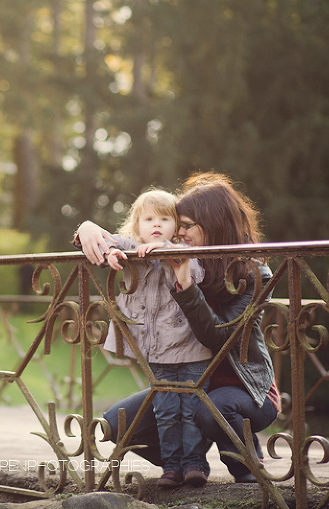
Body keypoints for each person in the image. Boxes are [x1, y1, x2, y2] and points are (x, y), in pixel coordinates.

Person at [75, 172, 280, 485]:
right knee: (116, 426)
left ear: (214, 224)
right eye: (178, 224)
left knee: (212, 410)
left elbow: (218, 337)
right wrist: (87, 229)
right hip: (184, 375)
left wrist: (185, 282)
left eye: (186, 225)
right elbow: (131, 239)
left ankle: (245, 462)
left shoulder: (253, 271)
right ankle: (181, 464)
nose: (179, 232)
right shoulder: (178, 256)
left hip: (243, 389)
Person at [96, 189, 213, 488]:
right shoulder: (133, 247)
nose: (156, 225)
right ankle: (171, 468)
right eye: (149, 219)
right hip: (157, 353)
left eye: (164, 218)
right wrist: (111, 252)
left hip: (192, 350)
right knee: (166, 412)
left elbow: (196, 274)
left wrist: (168, 252)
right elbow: (106, 238)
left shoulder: (183, 251)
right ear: (137, 225)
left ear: (176, 226)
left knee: (192, 411)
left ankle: (195, 465)